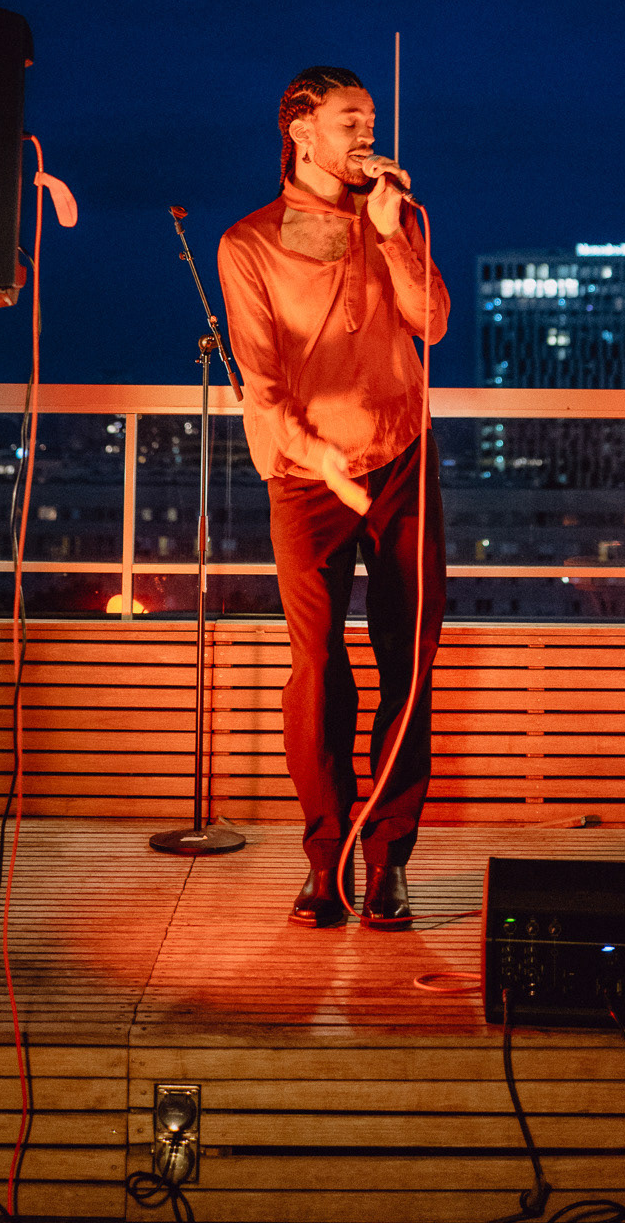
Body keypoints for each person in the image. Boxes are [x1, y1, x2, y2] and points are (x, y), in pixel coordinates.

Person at [217, 66, 449, 929]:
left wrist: (391, 237)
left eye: (372, 120)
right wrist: (323, 460)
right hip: (304, 474)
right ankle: (325, 862)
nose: (366, 135)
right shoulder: (248, 242)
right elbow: (262, 383)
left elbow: (433, 323)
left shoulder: (393, 218)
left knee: (407, 662)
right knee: (317, 668)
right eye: (350, 120)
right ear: (301, 130)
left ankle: (388, 862)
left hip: (401, 459)